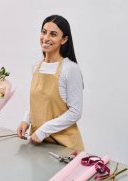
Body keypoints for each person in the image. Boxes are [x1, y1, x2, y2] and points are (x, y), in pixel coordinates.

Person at [16, 15, 84, 151]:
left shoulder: (70, 69)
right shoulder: (36, 66)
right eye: (43, 32)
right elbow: (38, 102)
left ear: (64, 39)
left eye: (53, 34)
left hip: (64, 147)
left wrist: (43, 131)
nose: (46, 38)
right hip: (40, 143)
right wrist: (26, 120)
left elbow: (75, 112)